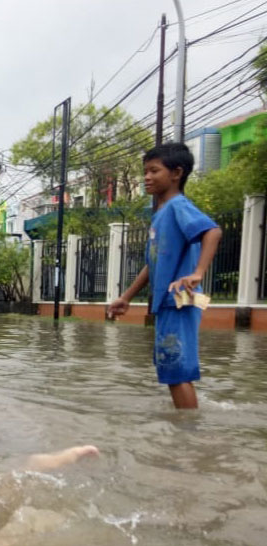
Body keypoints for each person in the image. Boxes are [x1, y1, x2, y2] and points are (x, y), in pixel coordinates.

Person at [108, 142, 222, 409]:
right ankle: (184, 428)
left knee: (177, 372)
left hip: (180, 300)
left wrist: (197, 272)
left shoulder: (177, 206)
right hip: (168, 303)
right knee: (171, 368)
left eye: (154, 170)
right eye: (145, 171)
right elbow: (154, 262)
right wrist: (126, 297)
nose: (147, 177)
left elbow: (212, 231)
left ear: (176, 173)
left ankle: (189, 437)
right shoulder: (161, 213)